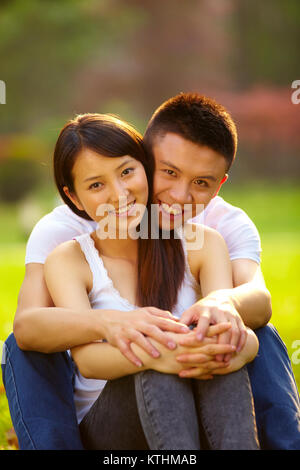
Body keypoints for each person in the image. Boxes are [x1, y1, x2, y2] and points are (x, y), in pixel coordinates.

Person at [2, 93, 300, 449]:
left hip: (200, 383)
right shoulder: (65, 239)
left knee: (240, 333)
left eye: (201, 182)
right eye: (170, 172)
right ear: (149, 156)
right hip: (113, 404)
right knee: (23, 348)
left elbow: (257, 300)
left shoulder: (213, 233)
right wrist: (111, 324)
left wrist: (222, 307)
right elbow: (30, 329)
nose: (178, 195)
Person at [42, 112, 259, 450]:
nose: (119, 194)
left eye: (127, 172)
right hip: (111, 426)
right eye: (96, 185)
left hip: (196, 407)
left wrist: (221, 345)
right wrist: (162, 357)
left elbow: (234, 332)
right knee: (155, 357)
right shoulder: (69, 260)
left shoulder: (203, 243)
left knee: (216, 346)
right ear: (73, 197)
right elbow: (87, 361)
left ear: (145, 166)